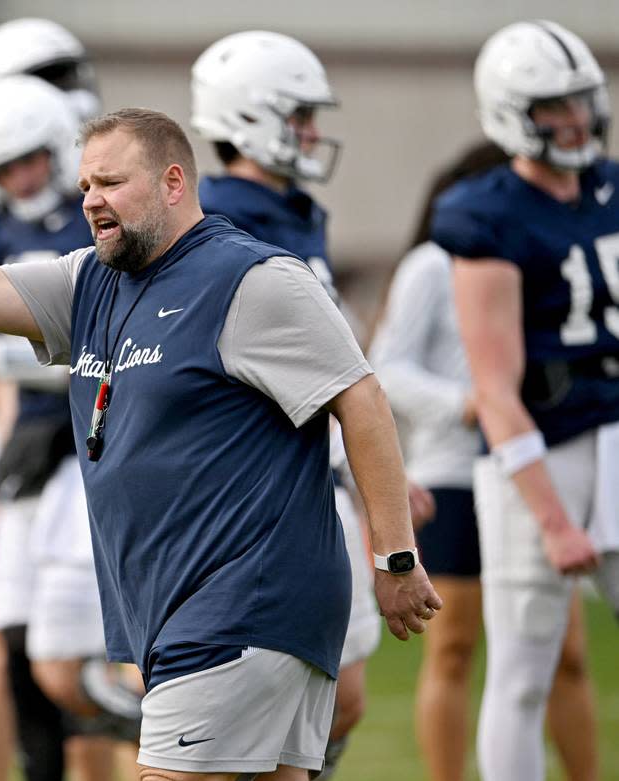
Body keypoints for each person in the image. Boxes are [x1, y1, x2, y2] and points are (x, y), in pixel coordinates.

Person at [0, 106, 441, 780]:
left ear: (174, 182)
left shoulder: (251, 278)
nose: (91, 201)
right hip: (192, 618)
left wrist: (395, 556)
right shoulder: (90, 281)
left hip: (237, 611)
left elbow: (363, 399)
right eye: (85, 185)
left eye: (111, 182)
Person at [372, 139, 600, 781]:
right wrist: (468, 403)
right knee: (454, 648)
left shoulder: (540, 252)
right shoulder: (431, 263)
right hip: (452, 475)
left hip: (528, 470)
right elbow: (385, 368)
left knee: (565, 653)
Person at [433, 20, 619, 781]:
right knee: (521, 668)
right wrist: (550, 515)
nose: (574, 120)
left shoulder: (609, 186)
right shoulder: (486, 213)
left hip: (614, 437)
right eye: (554, 107)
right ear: (512, 112)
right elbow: (496, 389)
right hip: (539, 448)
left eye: (581, 102)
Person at [190, 32, 379, 777]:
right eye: (297, 114)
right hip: (259, 482)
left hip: (319, 467)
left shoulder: (297, 210)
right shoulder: (219, 217)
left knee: (345, 692)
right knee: (266, 698)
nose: (310, 132)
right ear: (247, 117)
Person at [0, 20, 108, 781]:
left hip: (93, 437)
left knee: (88, 648)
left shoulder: (96, 202)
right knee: (10, 642)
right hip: (25, 443)